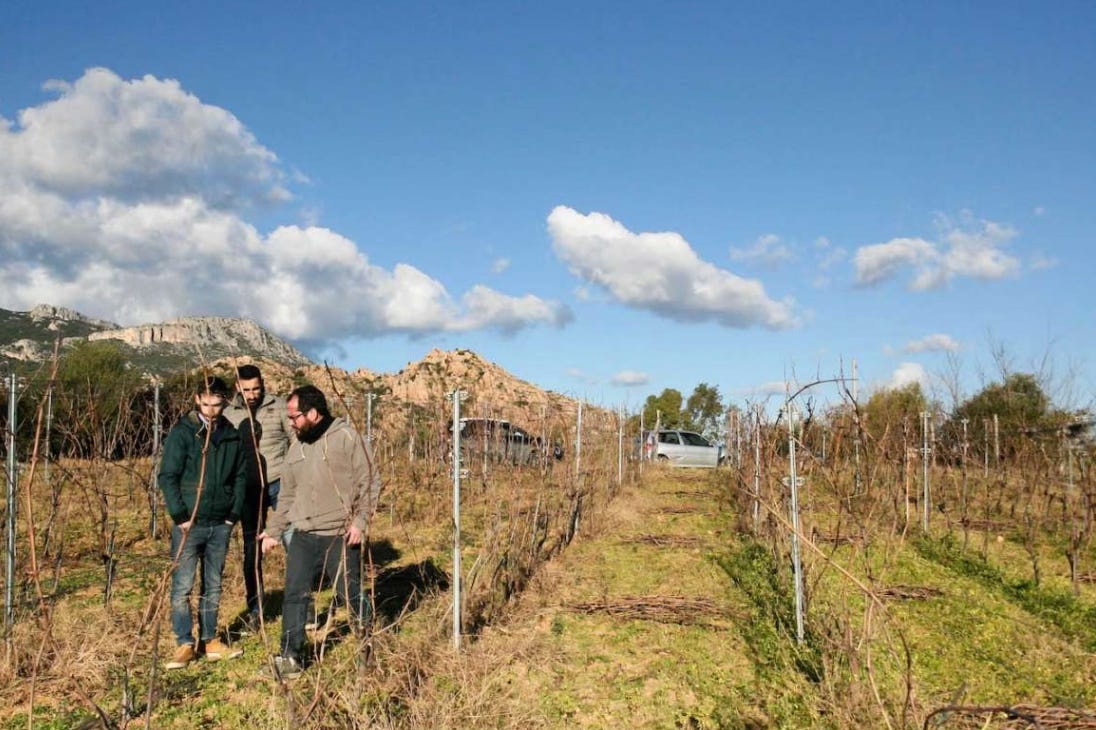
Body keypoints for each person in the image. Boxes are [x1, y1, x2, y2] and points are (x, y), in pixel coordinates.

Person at [259, 385, 381, 680]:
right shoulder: (297, 446)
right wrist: (274, 531)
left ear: (313, 413)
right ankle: (290, 657)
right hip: (302, 534)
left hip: (339, 535)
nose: (290, 423)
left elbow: (370, 481)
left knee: (349, 594)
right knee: (295, 595)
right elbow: (287, 494)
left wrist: (360, 522)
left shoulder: (347, 438)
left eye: (294, 417)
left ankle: (368, 648)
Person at [158, 376, 247, 670]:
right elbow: (168, 476)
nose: (211, 410)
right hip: (189, 524)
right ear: (197, 400)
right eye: (206, 403)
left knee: (213, 584)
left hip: (220, 524)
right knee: (182, 586)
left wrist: (232, 515)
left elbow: (240, 477)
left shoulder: (232, 436)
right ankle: (184, 643)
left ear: (225, 403)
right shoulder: (183, 434)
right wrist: (181, 516)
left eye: (218, 404)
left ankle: (209, 641)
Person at [224, 364, 293, 628]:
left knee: (293, 541)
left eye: (256, 388)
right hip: (247, 489)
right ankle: (256, 609)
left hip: (279, 484)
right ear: (237, 388)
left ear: (263, 385)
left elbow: (296, 440)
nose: (252, 395)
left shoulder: (279, 406)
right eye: (246, 390)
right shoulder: (229, 413)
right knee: (252, 549)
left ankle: (302, 603)